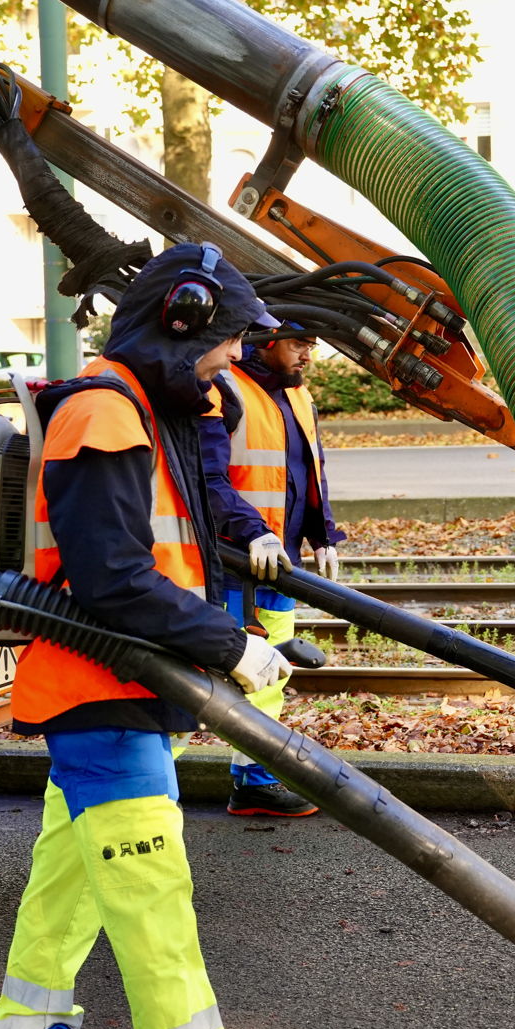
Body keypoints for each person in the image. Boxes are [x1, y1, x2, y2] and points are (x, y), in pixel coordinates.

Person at [0, 243, 326, 1029]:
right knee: (153, 896)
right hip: (103, 690)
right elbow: (112, 581)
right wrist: (232, 645)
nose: (228, 365)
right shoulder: (103, 415)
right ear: (177, 326)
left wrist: (245, 547)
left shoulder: (146, 407)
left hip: (121, 687)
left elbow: (169, 540)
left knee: (68, 888)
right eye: (221, 346)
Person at [200, 324, 345, 819]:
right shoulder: (225, 388)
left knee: (270, 675)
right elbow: (207, 478)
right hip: (233, 561)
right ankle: (145, 787)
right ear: (266, 340)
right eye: (298, 343)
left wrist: (322, 532)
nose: (308, 353)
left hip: (275, 561)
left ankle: (255, 781)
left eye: (312, 343)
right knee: (209, 677)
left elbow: (309, 469)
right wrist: (250, 532)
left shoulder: (297, 394)